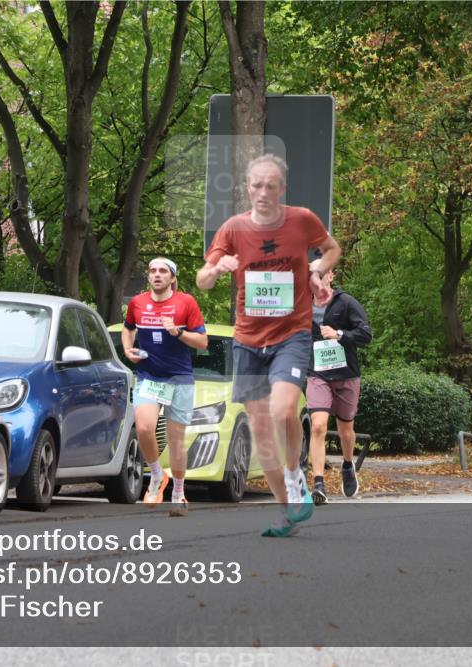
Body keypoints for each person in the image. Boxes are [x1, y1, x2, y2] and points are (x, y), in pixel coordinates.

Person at [196, 154, 341, 537]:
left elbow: (332, 249)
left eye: (271, 185)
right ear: (247, 188)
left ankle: (295, 476)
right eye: (256, 185)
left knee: (282, 411)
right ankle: (286, 510)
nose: (263, 192)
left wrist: (315, 270)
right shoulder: (233, 228)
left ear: (282, 189)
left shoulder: (302, 219)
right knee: (260, 430)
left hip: (291, 333)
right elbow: (202, 281)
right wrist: (216, 268)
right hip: (247, 340)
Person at [122, 257, 207, 516]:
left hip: (179, 378)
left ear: (172, 278)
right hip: (149, 376)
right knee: (145, 427)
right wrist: (128, 349)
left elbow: (203, 342)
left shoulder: (186, 303)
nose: (157, 275)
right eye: (152, 271)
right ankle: (157, 476)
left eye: (163, 271)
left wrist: (178, 333)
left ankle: (179, 492)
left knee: (176, 441)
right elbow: (128, 329)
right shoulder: (138, 303)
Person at [306, 263, 373, 504]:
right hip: (318, 374)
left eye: (321, 277)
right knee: (318, 425)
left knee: (346, 430)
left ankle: (347, 464)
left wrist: (340, 335)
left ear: (331, 276)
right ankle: (319, 483)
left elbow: (366, 334)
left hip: (346, 374)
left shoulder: (346, 303)